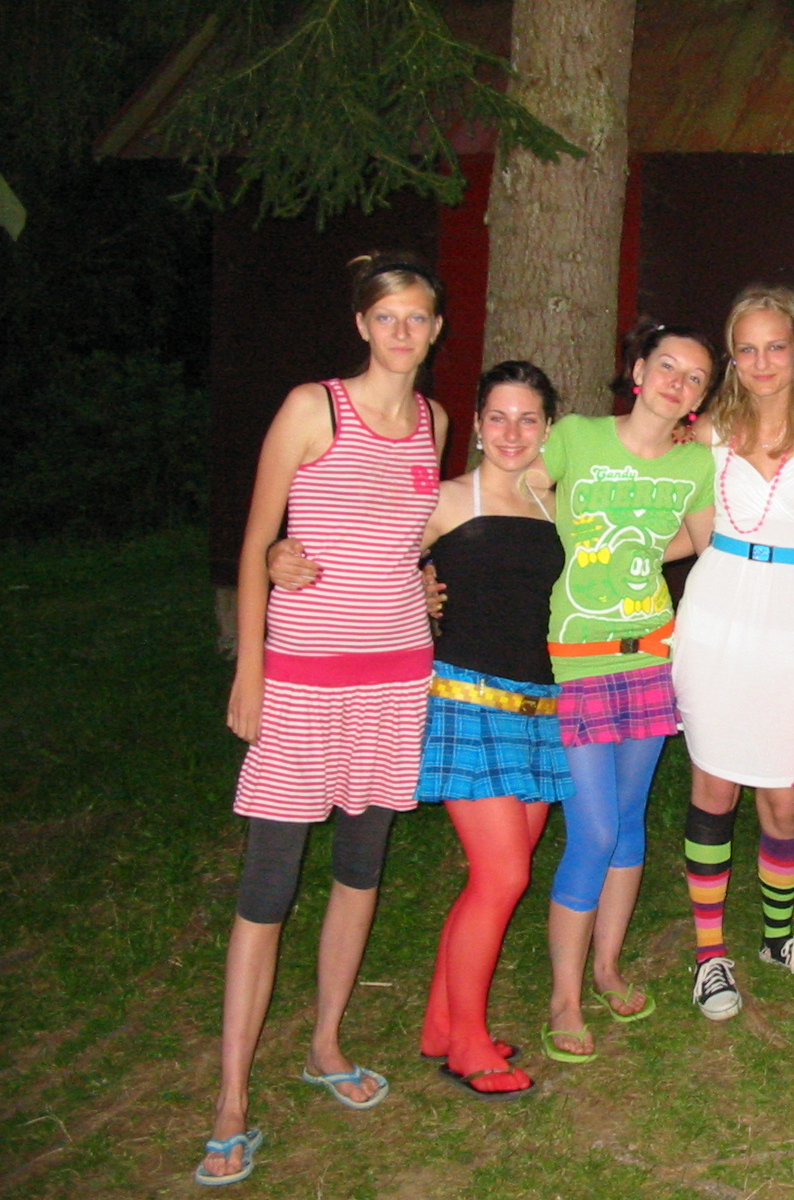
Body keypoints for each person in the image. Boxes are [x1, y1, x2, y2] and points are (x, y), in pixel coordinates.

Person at [197, 253, 447, 1186]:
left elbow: (403, 536)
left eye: (417, 317)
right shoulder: (314, 409)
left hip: (396, 679)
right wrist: (251, 668)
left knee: (359, 867)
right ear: (361, 325)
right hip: (303, 681)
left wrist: (426, 585)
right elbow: (258, 543)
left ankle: (326, 1044)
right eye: (386, 316)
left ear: (435, 329)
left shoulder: (436, 421)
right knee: (269, 883)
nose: (401, 332)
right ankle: (231, 1099)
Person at [538, 320, 716, 1061]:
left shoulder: (694, 464)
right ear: (638, 371)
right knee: (594, 831)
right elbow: (511, 493)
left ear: (699, 399)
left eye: (695, 378)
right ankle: (564, 996)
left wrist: (636, 551)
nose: (678, 383)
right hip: (577, 659)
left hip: (650, 656)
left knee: (629, 822)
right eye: (667, 366)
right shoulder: (576, 436)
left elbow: (708, 544)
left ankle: (606, 968)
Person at [671, 284, 794, 1021]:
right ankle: (710, 956)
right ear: (731, 356)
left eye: (776, 346)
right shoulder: (708, 431)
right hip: (715, 615)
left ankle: (778, 937)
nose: (762, 362)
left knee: (785, 796)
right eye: (747, 349)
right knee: (714, 790)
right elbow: (683, 531)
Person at [411, 361, 571, 1099]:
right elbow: (369, 562)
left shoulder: (554, 503)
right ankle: (468, 1047)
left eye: (528, 418)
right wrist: (414, 586)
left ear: (547, 427)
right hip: (466, 701)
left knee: (495, 877)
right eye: (498, 417)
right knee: (504, 876)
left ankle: (442, 1024)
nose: (513, 432)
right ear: (477, 424)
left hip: (540, 708)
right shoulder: (443, 499)